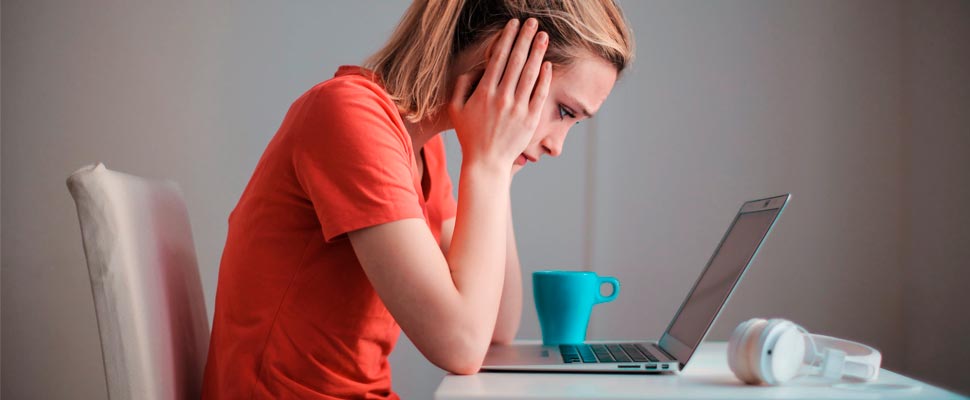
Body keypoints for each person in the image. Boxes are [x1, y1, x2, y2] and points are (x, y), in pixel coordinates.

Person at [202, 0, 634, 398]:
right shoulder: (348, 116)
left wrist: (498, 170)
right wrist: (487, 166)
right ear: (503, 58)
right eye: (565, 112)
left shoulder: (424, 150)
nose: (558, 145)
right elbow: (460, 345)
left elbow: (496, 328)